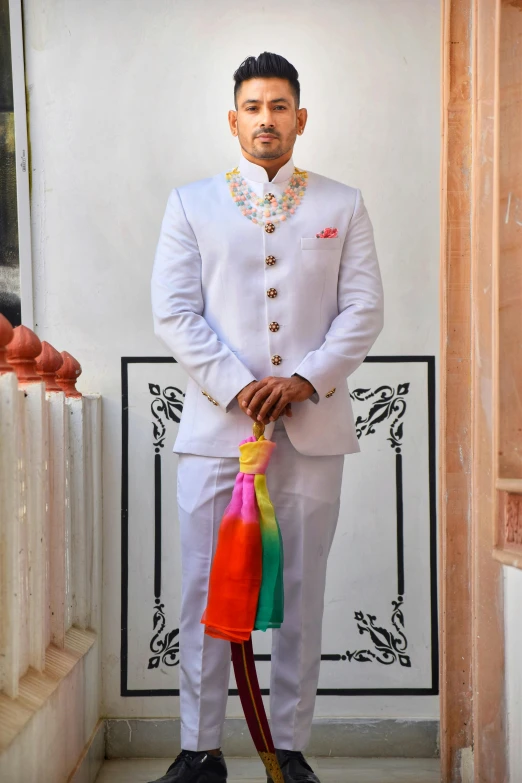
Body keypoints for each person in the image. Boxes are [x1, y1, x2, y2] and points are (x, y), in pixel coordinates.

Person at [150, 51, 383, 783]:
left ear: (300, 118)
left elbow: (365, 309)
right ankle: (200, 750)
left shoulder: (342, 205)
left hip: (312, 432)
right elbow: (174, 312)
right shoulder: (191, 204)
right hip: (219, 431)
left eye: (279, 106)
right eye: (253, 107)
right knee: (201, 588)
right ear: (233, 119)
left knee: (302, 593)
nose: (266, 120)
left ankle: (287, 747)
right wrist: (239, 384)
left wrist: (307, 378)